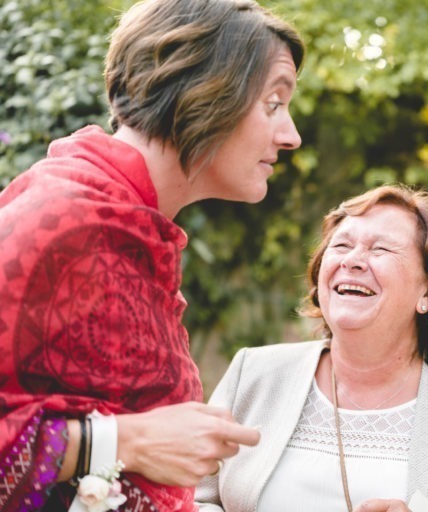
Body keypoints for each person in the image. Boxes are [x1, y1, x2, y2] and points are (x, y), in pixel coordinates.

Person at [0, 0, 304, 510]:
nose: (291, 135)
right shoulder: (59, 221)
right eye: (273, 103)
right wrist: (126, 441)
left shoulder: (134, 229)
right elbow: (136, 442)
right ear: (202, 90)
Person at [195, 184, 428, 512]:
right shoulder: (253, 373)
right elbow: (187, 498)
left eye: (380, 249)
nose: (353, 261)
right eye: (342, 246)